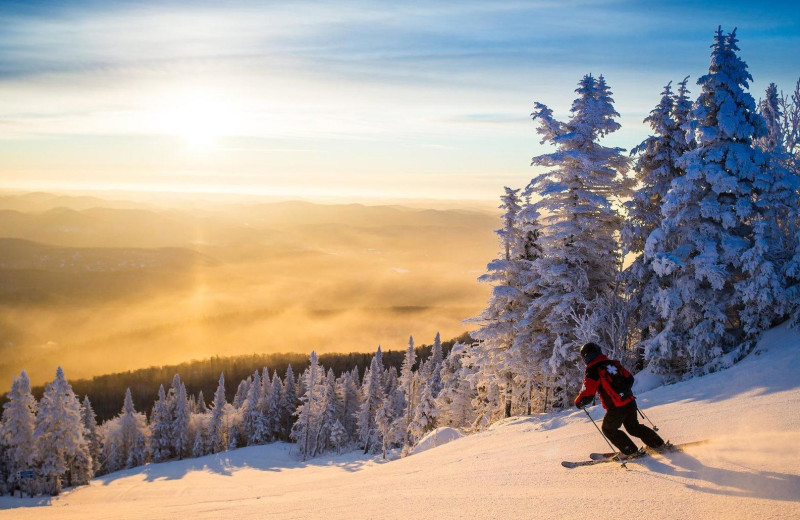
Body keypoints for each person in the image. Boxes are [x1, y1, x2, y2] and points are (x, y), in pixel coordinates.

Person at [574, 342, 665, 458]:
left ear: (585, 356)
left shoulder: (593, 370)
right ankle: (658, 444)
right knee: (633, 427)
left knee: (608, 429)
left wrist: (578, 402)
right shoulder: (612, 364)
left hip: (617, 407)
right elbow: (630, 379)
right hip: (630, 401)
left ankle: (630, 451)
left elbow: (588, 393)